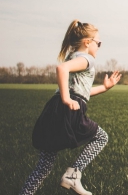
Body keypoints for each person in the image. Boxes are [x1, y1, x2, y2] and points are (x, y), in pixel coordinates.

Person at [19, 20, 121, 195]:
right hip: (69, 110)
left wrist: (104, 88)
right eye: (99, 43)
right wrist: (67, 99)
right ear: (87, 42)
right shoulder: (86, 59)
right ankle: (73, 174)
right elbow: (62, 69)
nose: (99, 47)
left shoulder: (72, 56)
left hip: (54, 109)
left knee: (44, 165)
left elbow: (81, 91)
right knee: (101, 138)